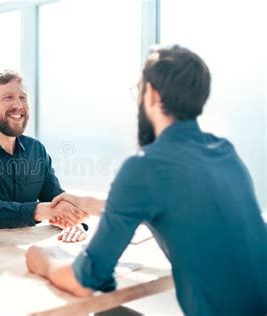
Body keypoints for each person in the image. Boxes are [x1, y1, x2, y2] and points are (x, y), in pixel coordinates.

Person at [25, 45, 267, 315]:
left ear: (150, 94)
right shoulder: (224, 152)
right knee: (112, 312)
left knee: (101, 310)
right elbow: (168, 201)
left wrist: (45, 260)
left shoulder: (146, 166)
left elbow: (86, 281)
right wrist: (86, 203)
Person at [0, 70, 88, 240]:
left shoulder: (36, 150)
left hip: (26, 250)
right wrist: (42, 210)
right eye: (8, 98)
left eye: (23, 98)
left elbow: (56, 199)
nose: (19, 105)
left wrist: (74, 223)